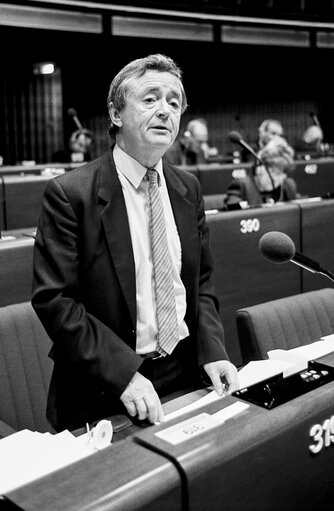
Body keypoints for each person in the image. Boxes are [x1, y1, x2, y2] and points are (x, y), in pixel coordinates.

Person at [32, 53, 238, 432]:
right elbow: (55, 300)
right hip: (103, 385)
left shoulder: (187, 188)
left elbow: (200, 283)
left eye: (174, 102)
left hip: (183, 372)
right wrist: (123, 373)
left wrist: (213, 349)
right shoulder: (70, 193)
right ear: (115, 113)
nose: (165, 110)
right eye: (150, 99)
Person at [224, 135, 298, 208]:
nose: (279, 179)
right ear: (260, 169)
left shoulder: (287, 186)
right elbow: (231, 213)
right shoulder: (241, 186)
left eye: (282, 174)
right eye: (275, 173)